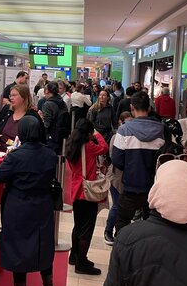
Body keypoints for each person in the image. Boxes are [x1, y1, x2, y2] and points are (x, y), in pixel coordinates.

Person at [0, 116, 58, 286]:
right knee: (43, 243)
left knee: (18, 246)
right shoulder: (50, 154)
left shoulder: (16, 156)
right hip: (43, 203)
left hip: (19, 204)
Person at [112, 91, 165, 233]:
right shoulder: (163, 131)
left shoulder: (124, 130)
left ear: (131, 108)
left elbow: (116, 159)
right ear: (149, 108)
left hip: (130, 186)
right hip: (154, 187)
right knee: (152, 226)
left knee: (122, 223)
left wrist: (130, 167)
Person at [65, 119, 108, 275]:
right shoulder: (89, 146)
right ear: (88, 133)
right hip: (87, 192)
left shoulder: (71, 145)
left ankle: (74, 256)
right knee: (87, 229)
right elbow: (104, 148)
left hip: (76, 191)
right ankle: (82, 262)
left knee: (78, 225)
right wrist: (98, 134)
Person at [104, 112, 133, 245]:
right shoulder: (116, 137)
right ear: (120, 122)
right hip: (116, 176)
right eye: (126, 122)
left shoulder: (134, 137)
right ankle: (108, 231)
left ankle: (119, 232)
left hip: (127, 177)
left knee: (124, 206)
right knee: (116, 205)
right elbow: (113, 157)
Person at [0, 84, 45, 152]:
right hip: (0, 154)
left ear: (24, 97)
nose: (11, 98)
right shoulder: (7, 109)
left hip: (21, 157)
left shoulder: (32, 116)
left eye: (14, 95)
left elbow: (41, 140)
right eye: (10, 95)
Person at [42, 81, 70, 153]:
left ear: (47, 91)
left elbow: (47, 124)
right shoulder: (62, 102)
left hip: (51, 136)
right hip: (62, 135)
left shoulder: (47, 104)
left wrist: (41, 118)